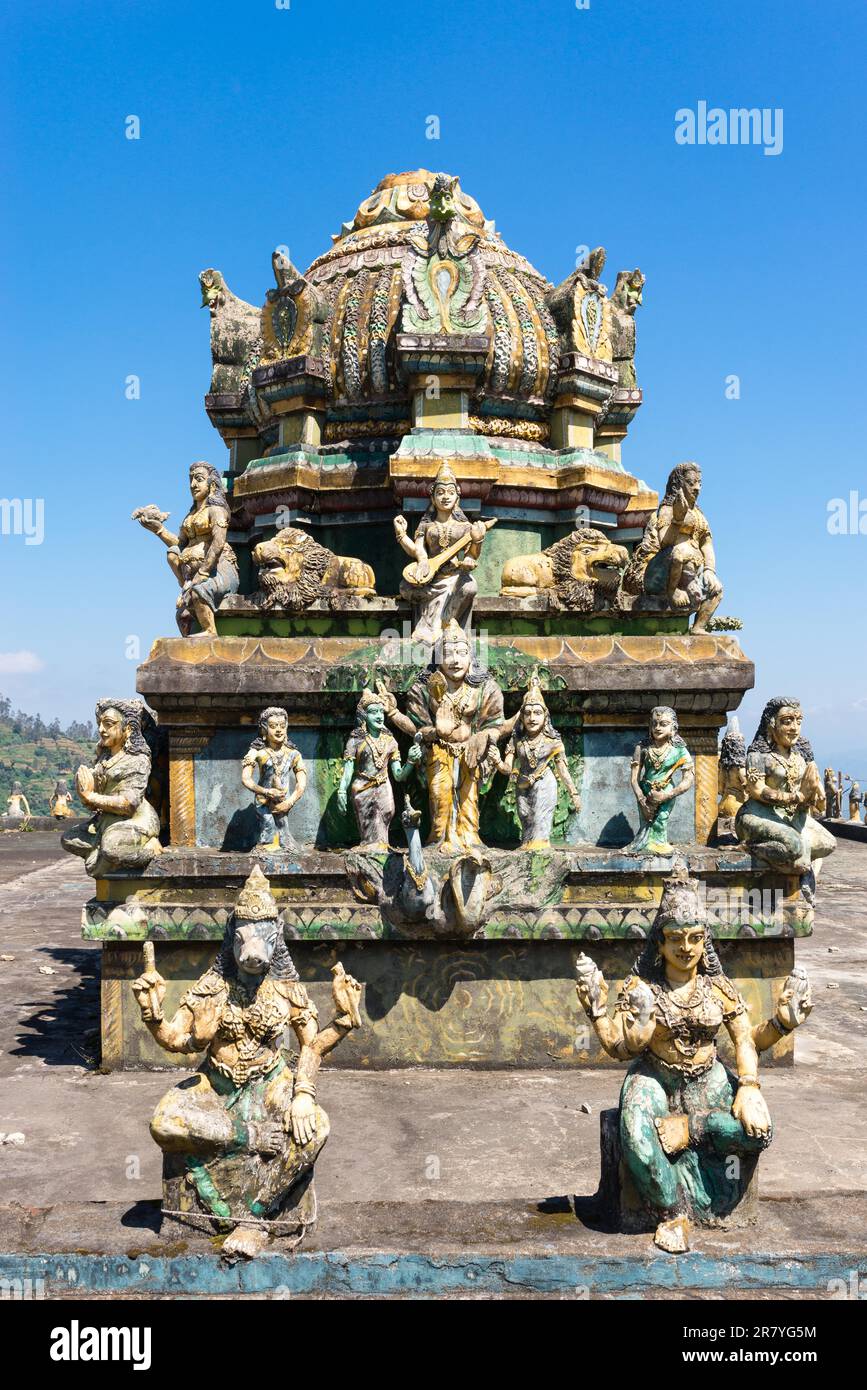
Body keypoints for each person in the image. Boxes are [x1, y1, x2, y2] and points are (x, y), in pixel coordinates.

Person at [134, 461, 239, 637]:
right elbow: (180, 544)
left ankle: (209, 630)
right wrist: (158, 529)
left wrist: (203, 573)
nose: (193, 485)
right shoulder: (190, 515)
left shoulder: (216, 510)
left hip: (219, 571)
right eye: (191, 480)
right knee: (172, 553)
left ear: (212, 484)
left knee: (199, 593)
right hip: (192, 575)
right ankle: (186, 587)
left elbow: (218, 542)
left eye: (199, 479)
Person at [61, 700, 161, 877]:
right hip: (107, 819)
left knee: (111, 848)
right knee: (69, 839)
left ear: (127, 729)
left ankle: (150, 849)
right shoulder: (104, 759)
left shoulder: (137, 760)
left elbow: (129, 804)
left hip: (135, 819)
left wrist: (91, 797)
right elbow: (96, 798)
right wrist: (85, 789)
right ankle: (106, 853)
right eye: (100, 724)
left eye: (108, 724)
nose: (101, 729)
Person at [337, 690, 421, 849]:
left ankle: (383, 849)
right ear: (363, 716)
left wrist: (410, 761)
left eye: (381, 711)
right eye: (373, 712)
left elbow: (398, 776)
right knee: (368, 832)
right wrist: (341, 791)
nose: (379, 716)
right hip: (362, 790)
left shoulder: (390, 741)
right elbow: (348, 770)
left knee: (385, 818)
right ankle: (369, 850)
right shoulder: (355, 740)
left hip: (384, 787)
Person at [241, 707, 307, 852]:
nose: (279, 730)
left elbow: (301, 783)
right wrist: (266, 791)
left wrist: (290, 802)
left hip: (283, 801)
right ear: (264, 729)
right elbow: (246, 779)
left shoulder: (294, 754)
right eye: (273, 726)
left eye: (282, 726)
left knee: (283, 833)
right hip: (263, 801)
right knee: (268, 828)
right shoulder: (257, 753)